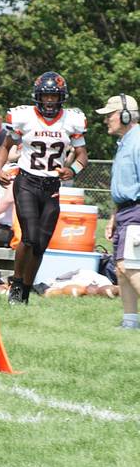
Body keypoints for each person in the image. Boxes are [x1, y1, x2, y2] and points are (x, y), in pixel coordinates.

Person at [0, 71, 88, 304]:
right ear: (38, 96)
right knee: (29, 237)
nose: (49, 101)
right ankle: (16, 283)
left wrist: (72, 170)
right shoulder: (23, 116)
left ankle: (25, 290)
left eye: (53, 97)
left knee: (41, 246)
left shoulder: (72, 120)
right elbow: (6, 146)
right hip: (27, 181)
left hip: (52, 186)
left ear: (61, 98)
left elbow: (82, 155)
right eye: (45, 96)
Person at [98, 94, 140, 329]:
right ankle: (130, 321)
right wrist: (114, 216)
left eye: (109, 115)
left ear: (125, 115)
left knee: (129, 266)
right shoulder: (126, 141)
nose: (106, 120)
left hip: (137, 211)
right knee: (122, 270)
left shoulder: (138, 141)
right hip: (125, 211)